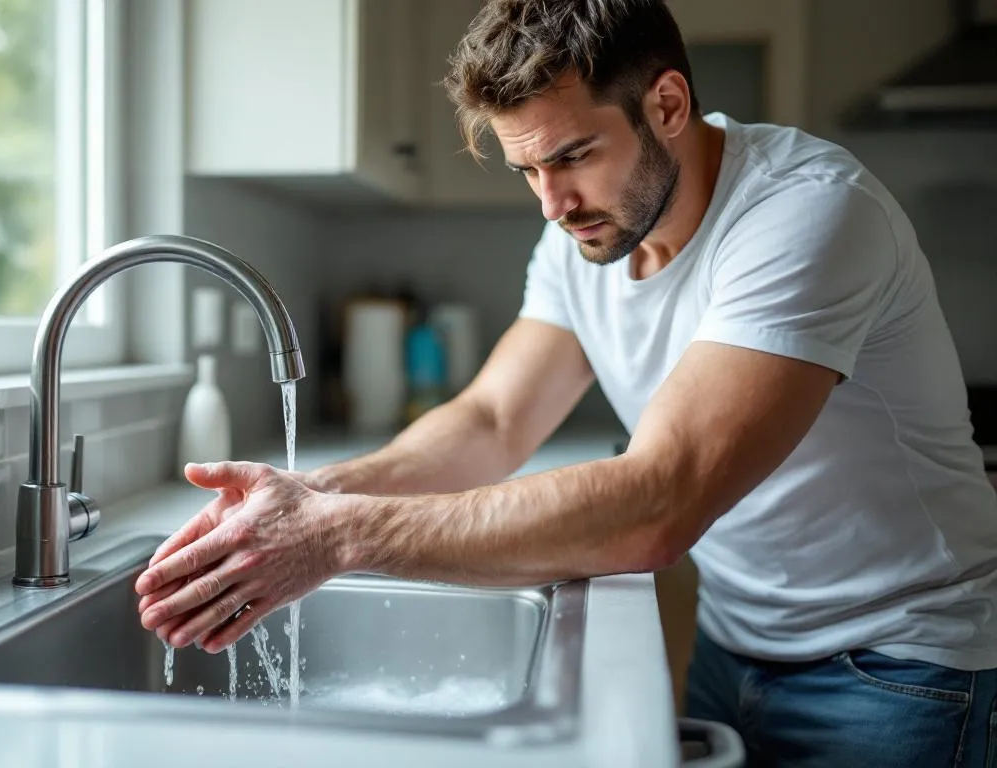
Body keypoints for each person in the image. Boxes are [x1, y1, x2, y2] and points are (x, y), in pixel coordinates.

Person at [134, 1, 997, 765]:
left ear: (667, 104)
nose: (551, 203)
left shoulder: (806, 213)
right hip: (736, 645)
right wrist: (309, 495)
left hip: (900, 666)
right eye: (526, 171)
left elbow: (661, 499)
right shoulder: (587, 233)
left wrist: (336, 538)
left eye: (572, 156)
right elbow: (492, 419)